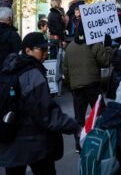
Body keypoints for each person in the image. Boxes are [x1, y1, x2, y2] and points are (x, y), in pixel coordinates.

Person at [0, 32, 81, 175]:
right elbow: (46, 113)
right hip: (34, 143)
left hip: (10, 141)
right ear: (27, 50)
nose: (45, 53)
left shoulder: (9, 68)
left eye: (47, 49)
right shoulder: (32, 74)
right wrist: (74, 127)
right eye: (41, 49)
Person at [63, 24, 112, 152]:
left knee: (79, 118)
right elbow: (105, 61)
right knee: (101, 114)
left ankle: (79, 145)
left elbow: (65, 69)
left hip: (77, 87)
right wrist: (107, 47)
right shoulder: (94, 44)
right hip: (93, 85)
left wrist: (70, 84)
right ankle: (105, 140)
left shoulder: (70, 47)